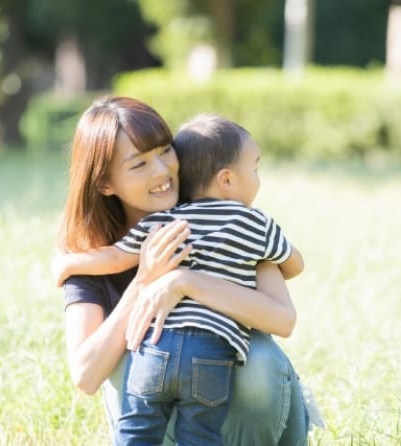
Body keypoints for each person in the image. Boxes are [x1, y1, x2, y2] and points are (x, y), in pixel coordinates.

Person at [56, 95, 310, 445]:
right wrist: (145, 280)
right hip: (158, 418)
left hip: (246, 419)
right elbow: (85, 375)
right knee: (125, 361)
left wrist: (184, 280)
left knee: (260, 361)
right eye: (138, 164)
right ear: (105, 184)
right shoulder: (96, 256)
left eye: (164, 150)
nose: (162, 171)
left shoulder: (226, 224)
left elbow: (283, 319)